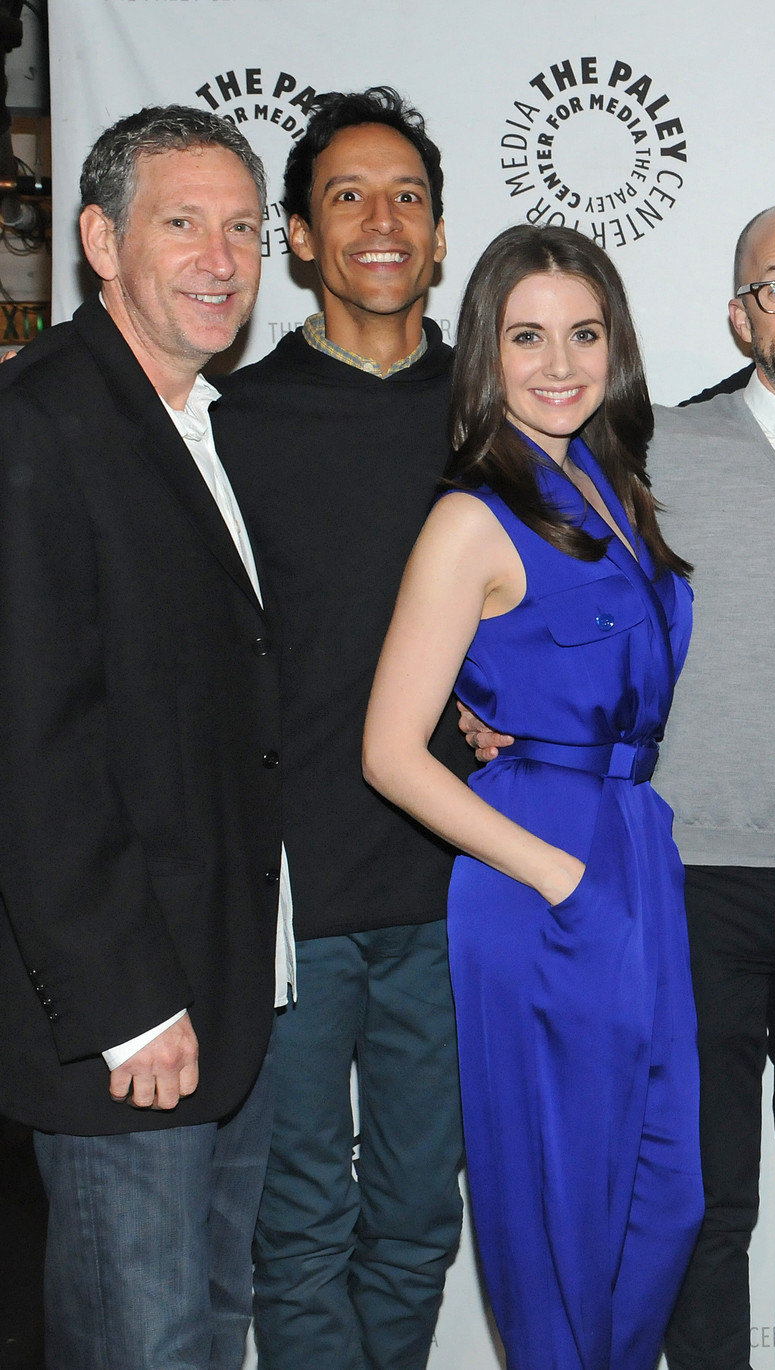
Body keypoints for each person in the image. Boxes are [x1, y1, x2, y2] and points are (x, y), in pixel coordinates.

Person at [469, 201, 775, 1370]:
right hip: (687, 876)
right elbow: (515, 565)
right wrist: (486, 699)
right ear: (736, 312)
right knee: (704, 1186)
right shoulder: (645, 452)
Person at [361, 224, 701, 1370]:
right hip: (540, 868)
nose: (559, 361)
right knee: (562, 1202)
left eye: (584, 332)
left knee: (662, 1191)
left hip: (636, 847)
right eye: (526, 335)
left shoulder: (610, 485)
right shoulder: (472, 516)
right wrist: (559, 872)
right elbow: (389, 750)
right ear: (484, 354)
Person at [0, 106, 289, 1369]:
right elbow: (29, 745)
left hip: (228, 993)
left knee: (207, 1329)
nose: (221, 257)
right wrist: (125, 1008)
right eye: (183, 223)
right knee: (145, 1346)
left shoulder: (199, 420)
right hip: (133, 1027)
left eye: (242, 227)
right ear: (100, 240)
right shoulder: (41, 423)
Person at [211, 87, 467, 1370]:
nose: (382, 221)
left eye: (407, 197)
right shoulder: (229, 427)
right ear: (300, 238)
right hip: (289, 904)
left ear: (438, 234)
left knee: (419, 1220)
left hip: (455, 894)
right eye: (347, 197)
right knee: (298, 1231)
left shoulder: (502, 416)